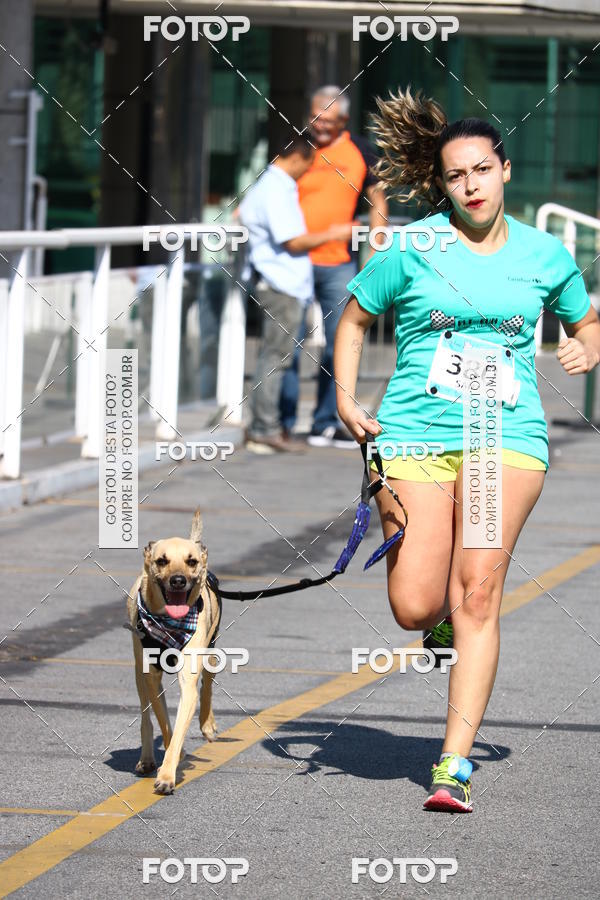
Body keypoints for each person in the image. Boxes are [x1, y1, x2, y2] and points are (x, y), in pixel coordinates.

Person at [334, 87, 600, 812]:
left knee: (478, 589)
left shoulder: (545, 253)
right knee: (415, 605)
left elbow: (587, 323)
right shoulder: (413, 248)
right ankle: (441, 622)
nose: (472, 185)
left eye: (482, 169)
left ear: (505, 170)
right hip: (414, 436)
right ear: (442, 182)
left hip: (501, 437)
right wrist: (347, 399)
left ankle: (453, 764)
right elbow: (353, 321)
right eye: (457, 175)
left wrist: (586, 347)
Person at [279, 86, 388, 448]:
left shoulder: (361, 150)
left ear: (344, 119)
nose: (319, 125)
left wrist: (375, 250)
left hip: (339, 262)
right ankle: (284, 424)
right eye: (315, 117)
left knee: (339, 344)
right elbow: (272, 189)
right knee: (288, 345)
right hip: (292, 261)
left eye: (327, 119)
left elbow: (378, 201)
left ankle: (325, 422)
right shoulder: (296, 147)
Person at [239, 134, 353, 453]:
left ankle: (266, 426)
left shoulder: (269, 186)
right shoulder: (275, 189)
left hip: (281, 284)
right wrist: (334, 234)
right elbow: (292, 241)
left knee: (276, 356)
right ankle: (264, 428)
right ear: (297, 158)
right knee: (276, 357)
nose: (307, 171)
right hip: (281, 285)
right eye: (308, 164)